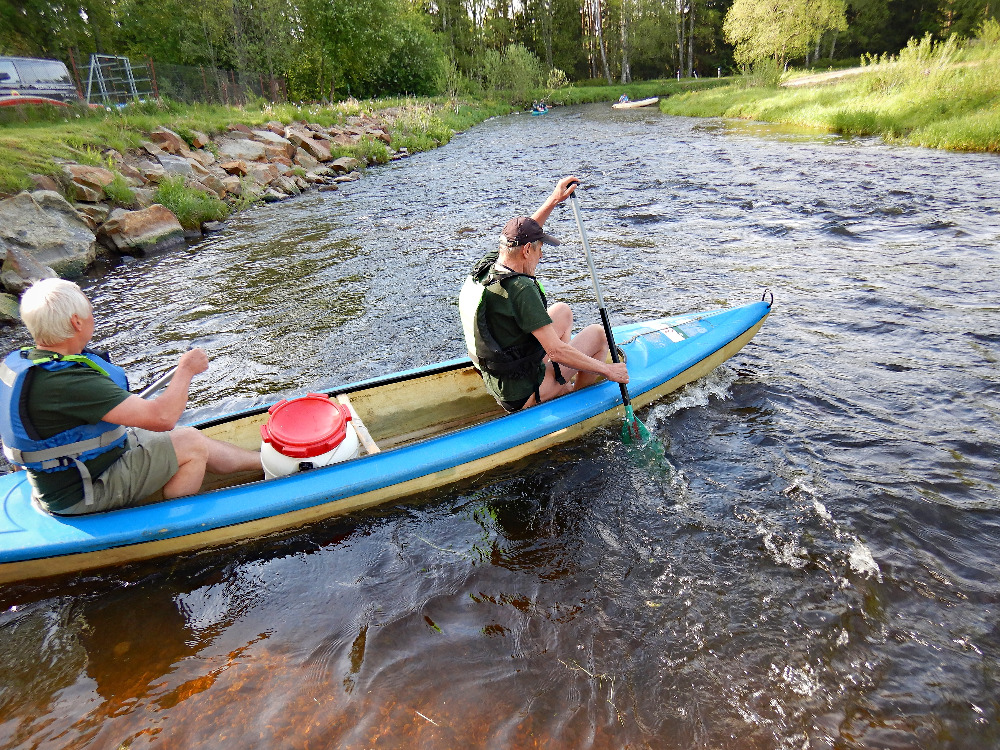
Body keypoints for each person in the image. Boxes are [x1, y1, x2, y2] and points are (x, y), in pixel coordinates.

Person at [0, 278, 262, 515]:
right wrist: (186, 370)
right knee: (190, 443)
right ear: (76, 322)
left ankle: (265, 462)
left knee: (184, 438)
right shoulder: (68, 382)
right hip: (83, 490)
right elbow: (163, 417)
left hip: (73, 472)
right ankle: (176, 524)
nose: (93, 317)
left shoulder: (27, 364)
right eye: (90, 312)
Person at [459, 176, 629, 413]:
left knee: (562, 311)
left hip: (503, 377)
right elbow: (556, 351)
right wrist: (610, 371)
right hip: (520, 394)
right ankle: (571, 396)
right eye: (540, 250)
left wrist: (554, 200)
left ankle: (558, 380)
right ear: (527, 250)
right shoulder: (521, 288)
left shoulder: (489, 266)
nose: (541, 256)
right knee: (598, 336)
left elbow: (525, 232)